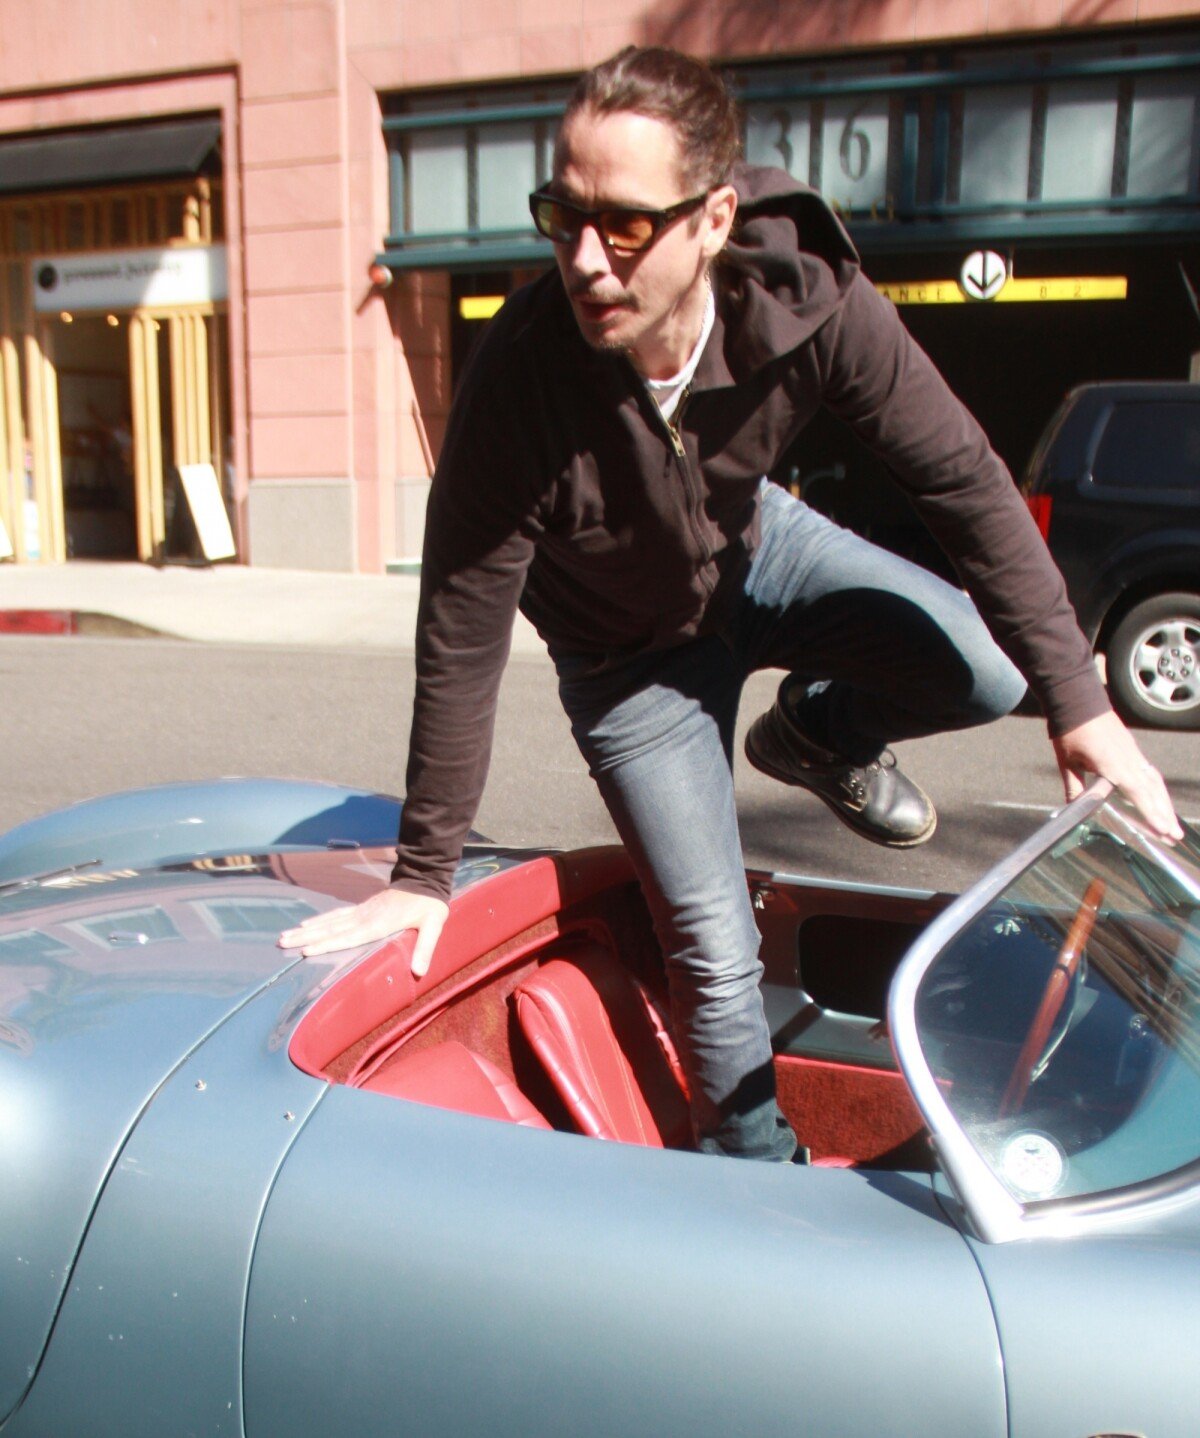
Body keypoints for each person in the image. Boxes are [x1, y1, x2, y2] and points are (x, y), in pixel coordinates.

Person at [281, 45, 1181, 1161]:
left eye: (624, 226)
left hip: (762, 556)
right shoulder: (519, 381)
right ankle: (754, 1180)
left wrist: (1080, 705)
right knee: (713, 948)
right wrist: (423, 876)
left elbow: (962, 481)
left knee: (994, 669)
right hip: (628, 664)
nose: (585, 262)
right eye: (562, 217)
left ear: (712, 218)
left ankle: (818, 731)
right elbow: (462, 624)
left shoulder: (809, 296)